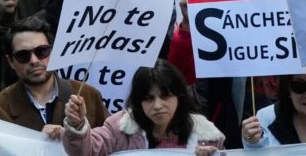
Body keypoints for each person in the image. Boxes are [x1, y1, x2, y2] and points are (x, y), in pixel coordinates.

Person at [62, 60, 224, 155]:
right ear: (138, 101)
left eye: (165, 96)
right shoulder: (119, 129)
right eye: (149, 98)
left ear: (179, 96)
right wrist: (76, 125)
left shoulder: (207, 135)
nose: (158, 105)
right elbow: (85, 151)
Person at [0, 15, 106, 137]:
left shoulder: (88, 95)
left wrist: (79, 131)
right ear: (11, 61)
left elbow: (113, 144)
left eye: (42, 51)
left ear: (53, 52)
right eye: (23, 55)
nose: (34, 61)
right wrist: (36, 141)